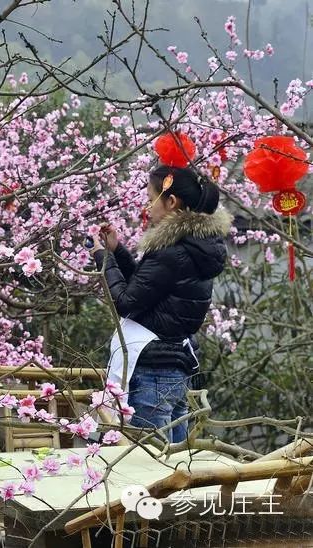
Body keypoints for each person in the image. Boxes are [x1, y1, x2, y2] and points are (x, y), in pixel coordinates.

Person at [91, 163, 231, 443]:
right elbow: (146, 288)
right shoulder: (194, 246)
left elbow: (127, 301)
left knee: (148, 465)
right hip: (172, 369)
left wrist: (102, 259)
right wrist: (117, 252)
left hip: (152, 373)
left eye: (150, 199)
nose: (147, 207)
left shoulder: (172, 252)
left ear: (171, 201)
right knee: (174, 464)